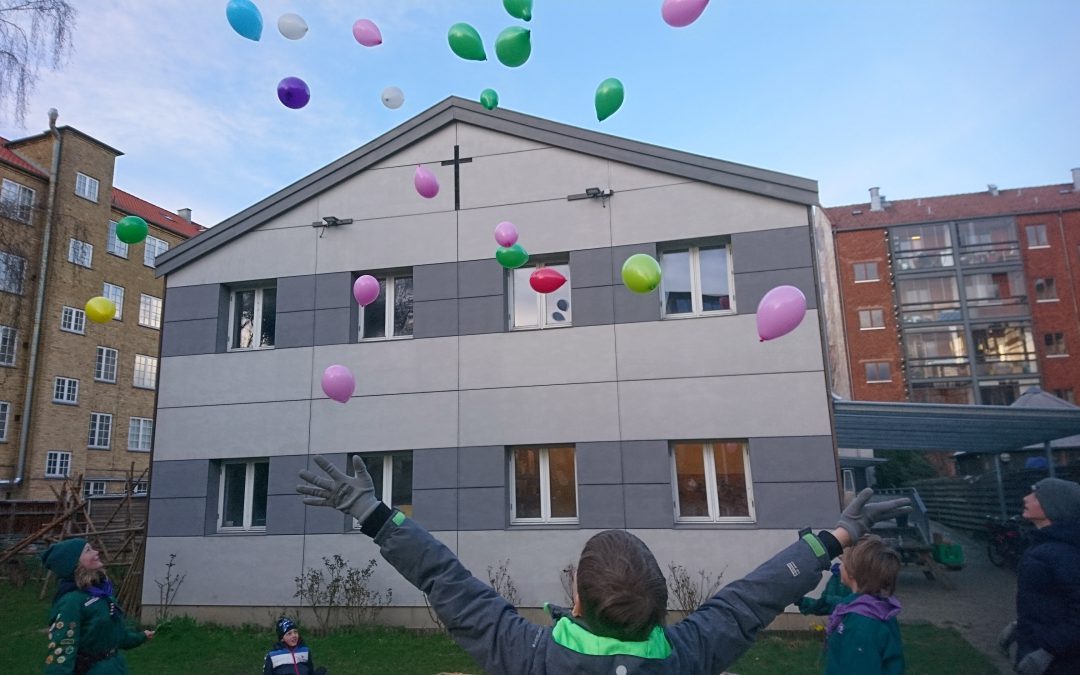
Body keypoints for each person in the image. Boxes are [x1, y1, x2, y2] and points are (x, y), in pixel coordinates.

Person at [297, 455, 912, 674]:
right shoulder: (688, 655)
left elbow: (444, 579)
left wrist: (373, 514)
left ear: (578, 603)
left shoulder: (530, 656)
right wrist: (835, 538)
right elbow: (754, 598)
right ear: (659, 606)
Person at [997, 477, 1080, 675]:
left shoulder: (1064, 553)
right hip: (1039, 648)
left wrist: (1048, 651)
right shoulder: (1044, 546)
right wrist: (1020, 626)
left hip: (1062, 663)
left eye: (1035, 495)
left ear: (1052, 506)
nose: (1026, 498)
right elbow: (1048, 602)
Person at [40, 538, 154, 674]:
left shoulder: (100, 594)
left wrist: (141, 636)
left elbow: (115, 635)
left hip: (115, 667)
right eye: (88, 550)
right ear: (74, 563)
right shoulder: (71, 602)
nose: (96, 552)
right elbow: (62, 651)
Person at [822, 535, 904, 674]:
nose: (839, 565)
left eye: (843, 561)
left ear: (852, 572)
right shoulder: (878, 608)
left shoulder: (861, 624)